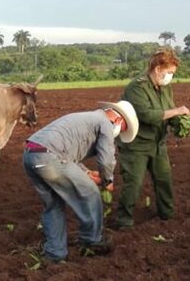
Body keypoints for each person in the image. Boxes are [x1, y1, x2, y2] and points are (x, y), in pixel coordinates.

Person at [23, 101, 138, 263]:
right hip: (50, 156)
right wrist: (107, 180)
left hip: (30, 154)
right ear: (119, 121)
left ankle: (55, 254)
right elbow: (106, 160)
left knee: (53, 205)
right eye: (122, 130)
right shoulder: (105, 123)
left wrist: (86, 172)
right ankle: (91, 241)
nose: (118, 134)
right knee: (90, 192)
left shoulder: (86, 118)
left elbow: (69, 154)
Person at [116, 49, 190, 228]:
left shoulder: (165, 87)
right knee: (134, 184)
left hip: (157, 143)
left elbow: (169, 112)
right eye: (169, 72)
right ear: (158, 68)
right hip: (136, 144)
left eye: (172, 74)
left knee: (164, 179)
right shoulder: (136, 87)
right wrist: (177, 111)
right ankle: (124, 221)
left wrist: (186, 124)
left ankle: (167, 214)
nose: (170, 77)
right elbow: (147, 115)